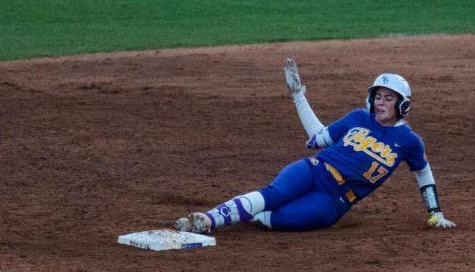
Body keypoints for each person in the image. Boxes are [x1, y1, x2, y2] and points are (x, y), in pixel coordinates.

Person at [175, 59, 456, 234]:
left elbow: (424, 174)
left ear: (403, 105)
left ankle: (251, 214)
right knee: (275, 193)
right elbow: (318, 139)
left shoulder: (409, 141)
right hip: (314, 169)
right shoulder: (357, 118)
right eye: (378, 96)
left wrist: (435, 214)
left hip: (336, 200)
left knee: (284, 219)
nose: (380, 102)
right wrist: (298, 96)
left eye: (388, 98)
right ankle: (208, 220)